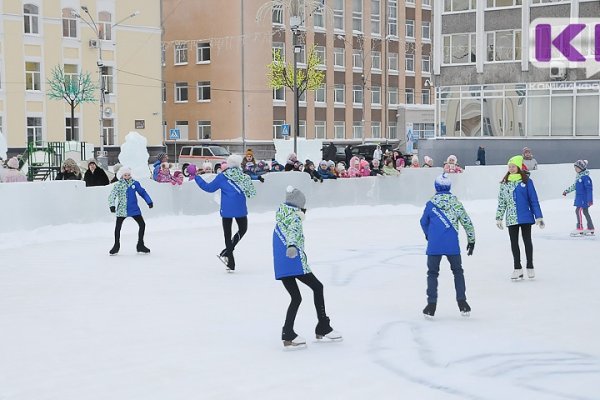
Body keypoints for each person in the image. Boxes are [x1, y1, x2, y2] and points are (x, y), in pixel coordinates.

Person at [273, 186, 342, 347]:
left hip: (282, 264)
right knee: (318, 287)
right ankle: (323, 326)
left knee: (296, 297)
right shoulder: (295, 217)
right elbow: (293, 232)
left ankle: (288, 332)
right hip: (294, 261)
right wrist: (291, 246)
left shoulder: (282, 216)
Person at [420, 174, 475, 318]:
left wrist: (429, 235)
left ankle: (431, 305)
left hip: (434, 245)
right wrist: (471, 239)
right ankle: (462, 303)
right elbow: (466, 221)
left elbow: (423, 222)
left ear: (436, 187)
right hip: (452, 245)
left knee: (432, 273)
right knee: (457, 271)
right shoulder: (456, 203)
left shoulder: (431, 204)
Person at [193, 154, 256, 271]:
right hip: (240, 208)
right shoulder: (245, 177)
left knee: (227, 234)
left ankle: (231, 261)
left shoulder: (222, 177)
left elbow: (209, 188)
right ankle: (227, 251)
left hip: (226, 209)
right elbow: (251, 194)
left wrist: (196, 177)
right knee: (243, 229)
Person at [496, 155, 544, 281]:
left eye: (513, 166)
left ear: (518, 167)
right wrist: (499, 217)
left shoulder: (526, 181)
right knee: (514, 243)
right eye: (509, 167)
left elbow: (533, 200)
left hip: (525, 217)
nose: (511, 169)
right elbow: (502, 202)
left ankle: (530, 266)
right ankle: (517, 268)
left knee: (527, 241)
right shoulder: (505, 183)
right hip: (511, 218)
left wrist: (538, 216)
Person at [107, 167, 153, 255]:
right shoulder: (118, 185)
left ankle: (140, 244)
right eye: (125, 175)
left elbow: (142, 192)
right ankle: (116, 245)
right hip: (122, 210)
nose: (127, 176)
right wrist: (112, 205)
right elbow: (112, 195)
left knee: (142, 224)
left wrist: (149, 201)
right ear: (121, 175)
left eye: (128, 175)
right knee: (118, 227)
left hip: (134, 209)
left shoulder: (135, 183)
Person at [563, 160, 594, 236]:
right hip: (580, 198)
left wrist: (590, 200)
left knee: (578, 211)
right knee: (585, 212)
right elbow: (574, 186)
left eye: (577, 168)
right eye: (575, 168)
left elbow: (589, 189)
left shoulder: (585, 177)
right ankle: (590, 227)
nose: (575, 169)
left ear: (581, 168)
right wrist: (566, 191)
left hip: (584, 199)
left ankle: (579, 228)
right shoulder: (579, 177)